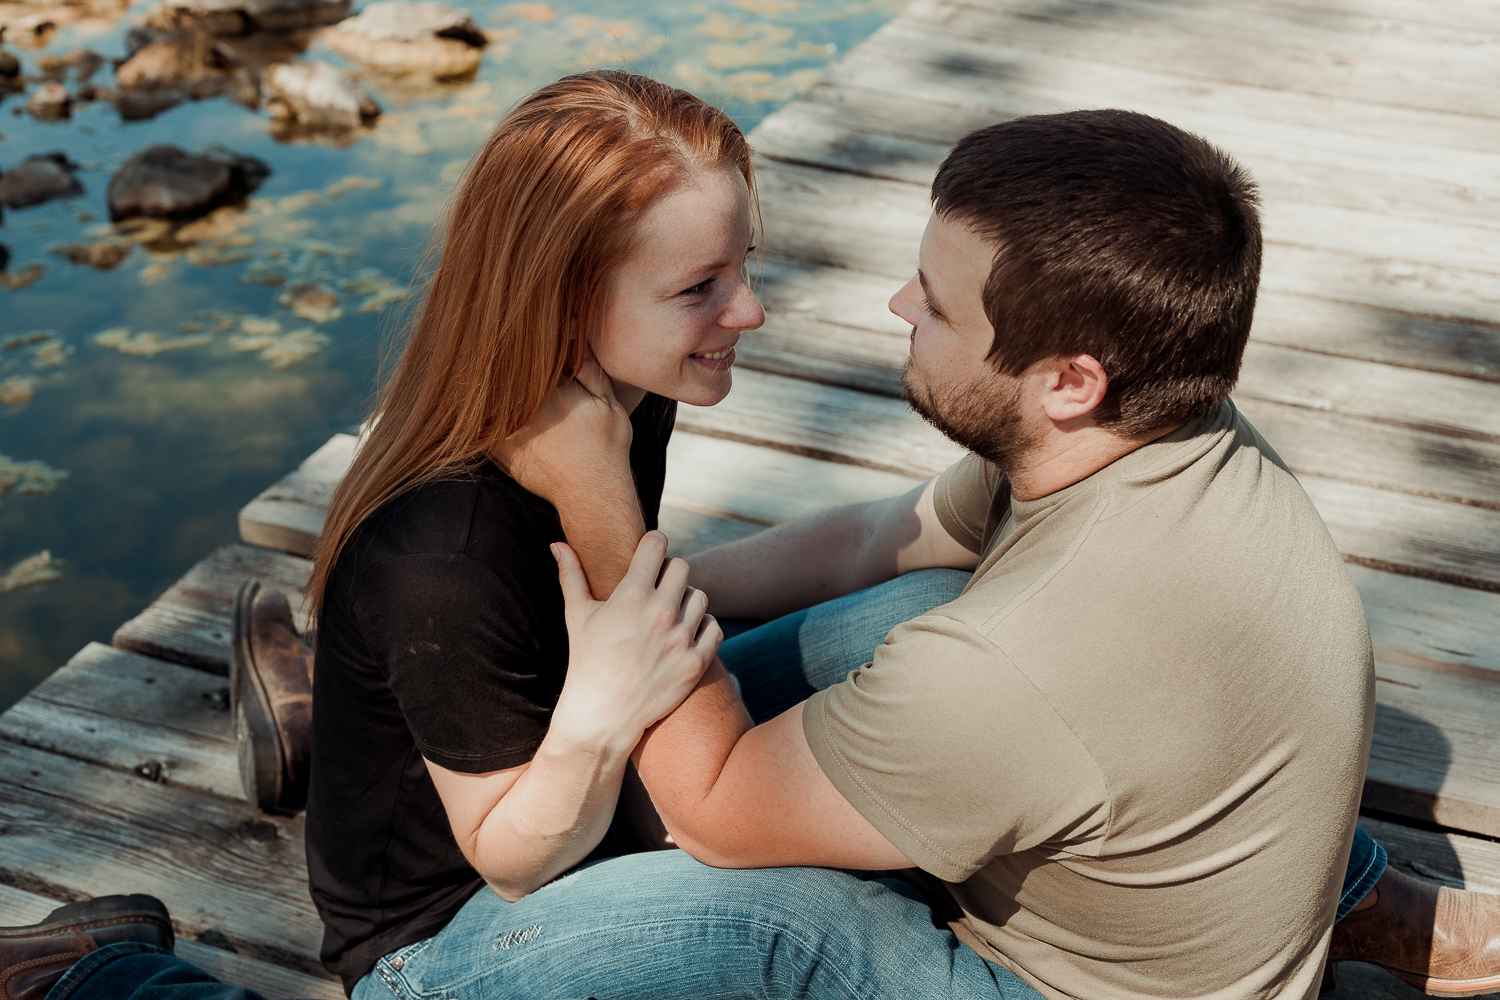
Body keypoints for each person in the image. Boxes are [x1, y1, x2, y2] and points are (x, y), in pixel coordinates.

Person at [18, 97, 1497, 1000]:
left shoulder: (614, 431)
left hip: (646, 841)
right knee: (900, 615)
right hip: (468, 901)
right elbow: (885, 544)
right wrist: (481, 686)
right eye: (705, 286)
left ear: (1070, 377)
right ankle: (117, 972)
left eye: (935, 301)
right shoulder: (1183, 435)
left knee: (778, 899)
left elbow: (720, 818)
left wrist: (599, 580)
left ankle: (1342, 888)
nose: (882, 314)